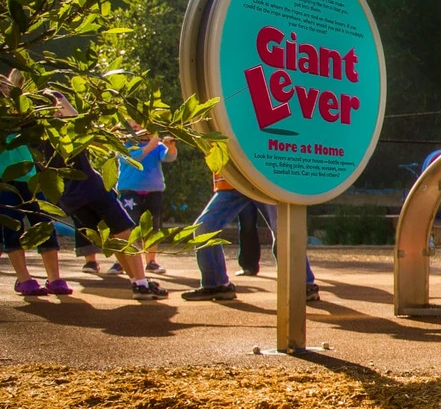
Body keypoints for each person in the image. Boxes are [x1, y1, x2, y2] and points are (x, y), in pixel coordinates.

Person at [44, 92, 166, 298]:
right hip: (92, 189)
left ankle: (137, 281)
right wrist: (59, 98)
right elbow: (79, 119)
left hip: (69, 197)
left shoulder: (34, 137)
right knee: (125, 234)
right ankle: (141, 283)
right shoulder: (68, 129)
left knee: (113, 239)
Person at [182, 172, 318, 303]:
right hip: (233, 182)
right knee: (203, 228)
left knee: (283, 230)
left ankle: (303, 284)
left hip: (265, 179)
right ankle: (216, 284)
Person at [1, 131, 67, 297]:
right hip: (3, 180)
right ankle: (23, 278)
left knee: (44, 223)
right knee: (12, 226)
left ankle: (54, 278)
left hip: (30, 177)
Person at [114, 130, 176, 275]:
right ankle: (122, 261)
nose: (136, 129)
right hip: (129, 191)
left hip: (154, 191)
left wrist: (171, 147)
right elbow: (132, 159)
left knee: (152, 228)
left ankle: (151, 261)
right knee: (127, 227)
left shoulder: (157, 145)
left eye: (139, 125)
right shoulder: (123, 145)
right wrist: (150, 146)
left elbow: (168, 157)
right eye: (132, 125)